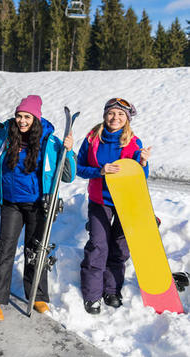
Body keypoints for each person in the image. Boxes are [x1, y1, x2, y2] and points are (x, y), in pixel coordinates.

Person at [0, 94, 76, 320]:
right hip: (11, 203)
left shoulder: (49, 141)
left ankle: (38, 294)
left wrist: (68, 151)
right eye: (19, 116)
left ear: (36, 118)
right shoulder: (7, 134)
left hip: (37, 205)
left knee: (36, 251)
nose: (22, 121)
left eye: (27, 117)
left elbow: (68, 175)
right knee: (5, 249)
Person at [77, 98, 151, 314]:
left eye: (120, 114)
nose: (115, 118)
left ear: (127, 119)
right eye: (111, 113)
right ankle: (92, 295)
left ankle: (112, 290)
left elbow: (141, 176)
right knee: (99, 245)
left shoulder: (133, 141)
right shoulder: (92, 139)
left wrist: (144, 163)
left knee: (119, 247)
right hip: (100, 200)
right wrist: (99, 171)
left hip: (126, 202)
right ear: (105, 115)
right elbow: (79, 169)